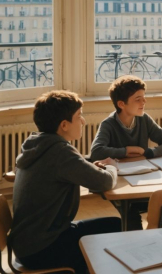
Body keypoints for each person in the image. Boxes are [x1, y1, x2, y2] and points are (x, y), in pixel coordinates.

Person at [10, 91, 121, 274]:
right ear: (64, 125)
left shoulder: (38, 144)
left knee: (114, 225)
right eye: (79, 116)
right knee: (118, 228)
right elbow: (105, 182)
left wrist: (90, 165)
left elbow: (70, 165)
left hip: (27, 243)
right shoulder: (59, 152)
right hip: (43, 249)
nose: (83, 121)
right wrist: (112, 167)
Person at [89, 75, 162, 229]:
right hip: (120, 183)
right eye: (138, 99)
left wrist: (148, 152)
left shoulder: (144, 119)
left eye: (144, 97)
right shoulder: (108, 124)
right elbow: (96, 152)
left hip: (142, 177)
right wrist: (125, 151)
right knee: (131, 216)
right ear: (121, 104)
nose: (144, 102)